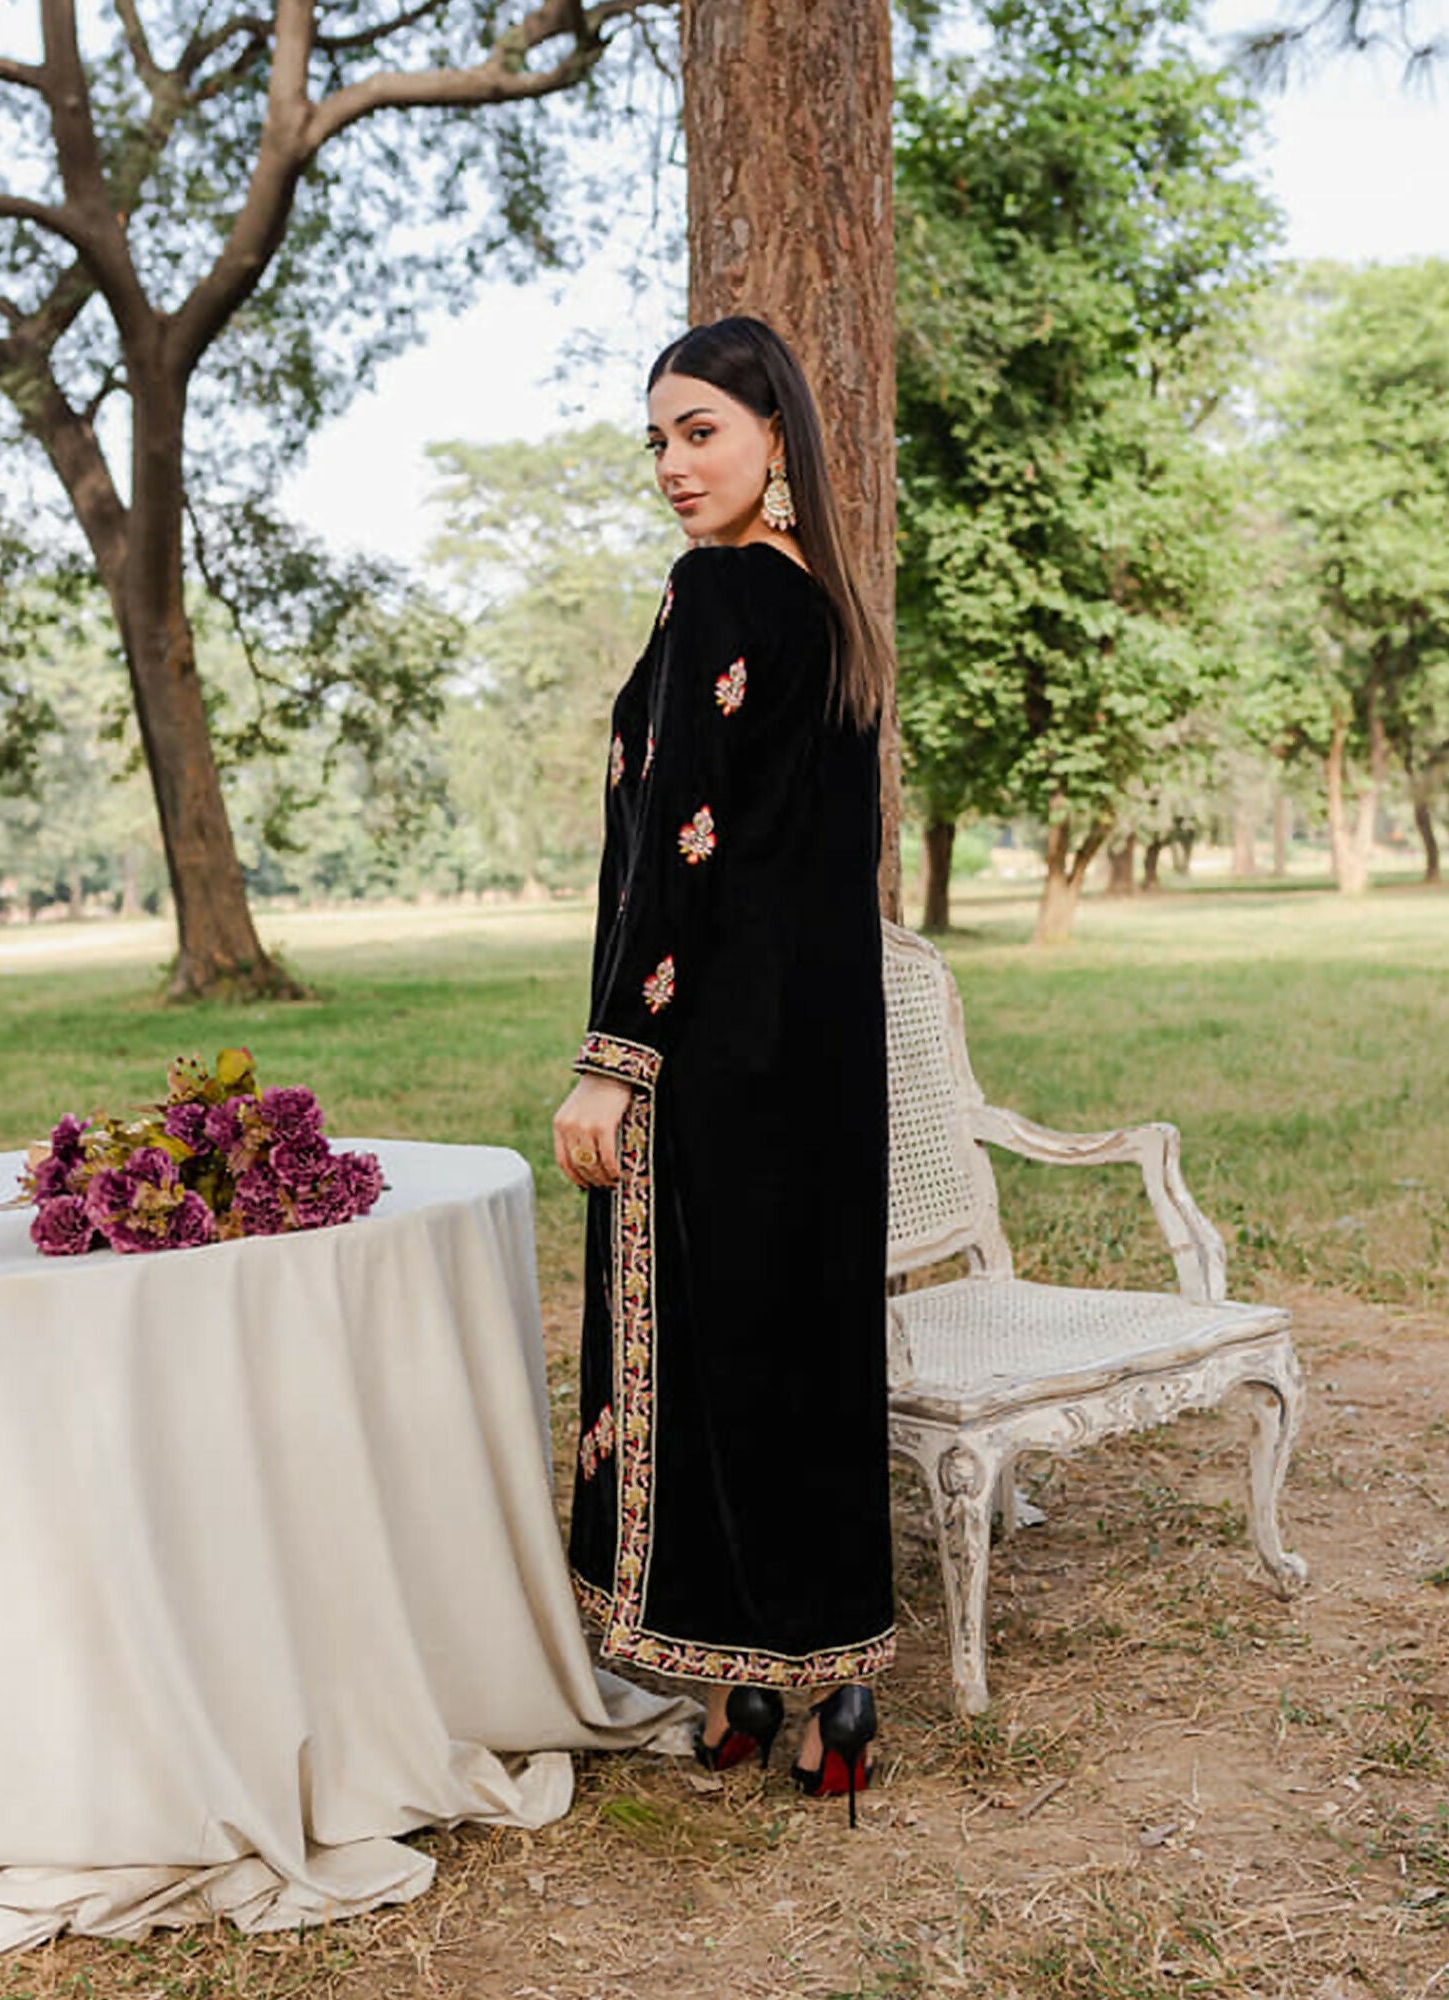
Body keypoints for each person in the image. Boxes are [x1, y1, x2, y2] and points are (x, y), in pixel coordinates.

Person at [551, 316, 893, 1822]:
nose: (675, 468)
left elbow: (678, 847)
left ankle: (742, 1679)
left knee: (709, 1358)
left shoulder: (717, 590)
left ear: (773, 434)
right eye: (659, 442)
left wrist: (615, 1062)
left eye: (701, 432)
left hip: (715, 1055)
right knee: (800, 1354)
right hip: (820, 1059)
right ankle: (819, 1689)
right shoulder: (829, 606)